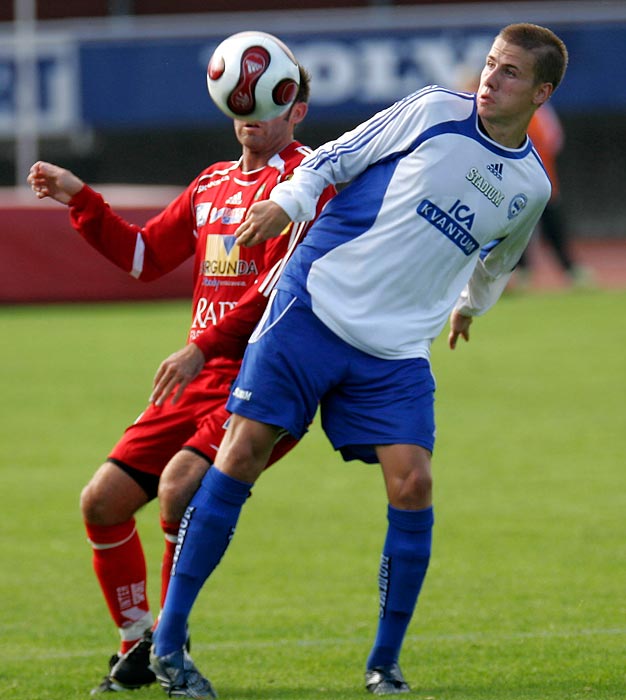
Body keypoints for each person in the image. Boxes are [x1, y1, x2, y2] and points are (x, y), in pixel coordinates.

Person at [148, 22, 568, 698]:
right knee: (241, 453)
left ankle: (384, 666)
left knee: (414, 485)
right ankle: (167, 645)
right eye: (490, 64)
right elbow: (332, 158)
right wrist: (287, 204)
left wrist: (469, 307)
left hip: (396, 348)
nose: (490, 79)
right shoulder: (433, 110)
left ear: (541, 91)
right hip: (315, 304)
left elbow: (498, 261)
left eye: (511, 72)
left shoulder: (531, 187)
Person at [27, 62, 334, 695]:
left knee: (179, 487)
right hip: (199, 376)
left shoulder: (307, 184)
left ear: (296, 110)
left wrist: (199, 346)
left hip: (265, 373)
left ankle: (172, 642)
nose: (248, 109)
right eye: (238, 100)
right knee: (102, 503)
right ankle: (138, 642)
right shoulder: (212, 184)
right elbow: (144, 257)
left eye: (267, 101)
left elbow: (284, 290)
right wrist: (82, 199)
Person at [515, 101, 590, 286]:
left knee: (553, 228)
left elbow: (553, 141)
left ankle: (570, 270)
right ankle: (519, 272)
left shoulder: (540, 113)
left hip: (544, 182)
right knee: (513, 230)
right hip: (515, 186)